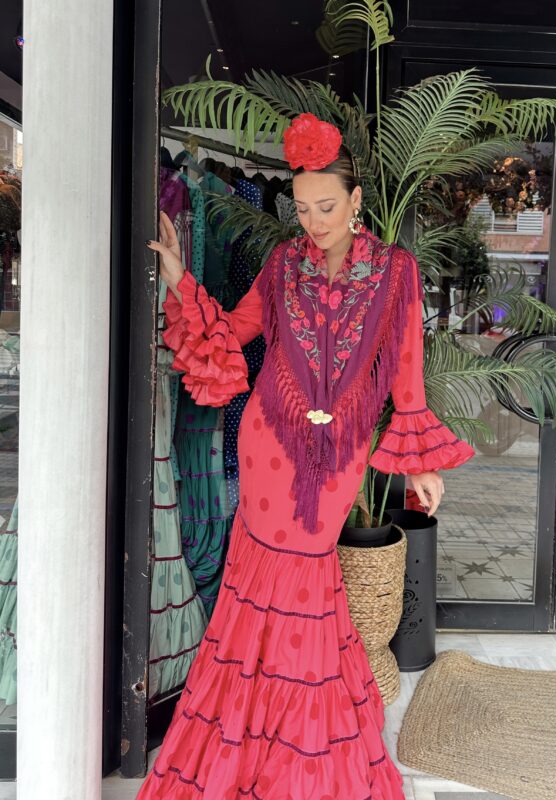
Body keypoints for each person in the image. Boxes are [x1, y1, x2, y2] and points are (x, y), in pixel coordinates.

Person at [138, 113, 475, 800]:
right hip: (268, 444)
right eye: (302, 208)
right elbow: (232, 335)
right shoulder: (282, 263)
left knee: (309, 590)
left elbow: (406, 377)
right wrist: (177, 276)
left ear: (355, 202)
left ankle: (298, 745)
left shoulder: (396, 275)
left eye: (327, 206)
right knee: (258, 585)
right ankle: (251, 734)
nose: (314, 220)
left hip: (336, 463)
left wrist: (419, 462)